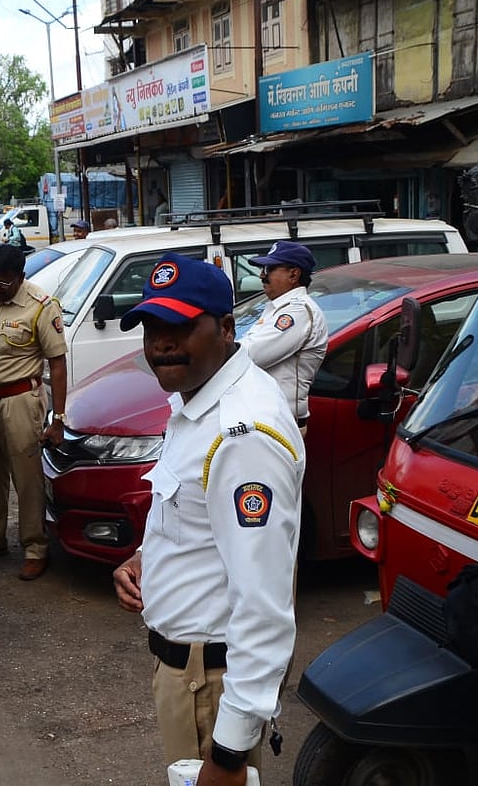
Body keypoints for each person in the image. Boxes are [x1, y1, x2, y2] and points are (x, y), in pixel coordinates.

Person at [111, 256, 304, 782]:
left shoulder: (242, 435)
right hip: (189, 673)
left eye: (179, 327)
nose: (162, 344)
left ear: (225, 328)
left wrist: (228, 754)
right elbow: (194, 515)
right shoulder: (198, 402)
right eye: (152, 329)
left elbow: (264, 607)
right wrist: (145, 558)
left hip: (209, 686)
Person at [0, 244, 68, 581]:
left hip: (20, 401)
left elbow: (57, 363)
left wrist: (58, 420)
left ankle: (35, 547)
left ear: (20, 277)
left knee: (27, 477)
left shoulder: (40, 306)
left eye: (4, 283)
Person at [240, 241, 329, 433]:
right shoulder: (279, 307)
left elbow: (250, 355)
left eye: (269, 269)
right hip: (267, 418)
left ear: (293, 274)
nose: (262, 275)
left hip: (281, 421)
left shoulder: (298, 311)